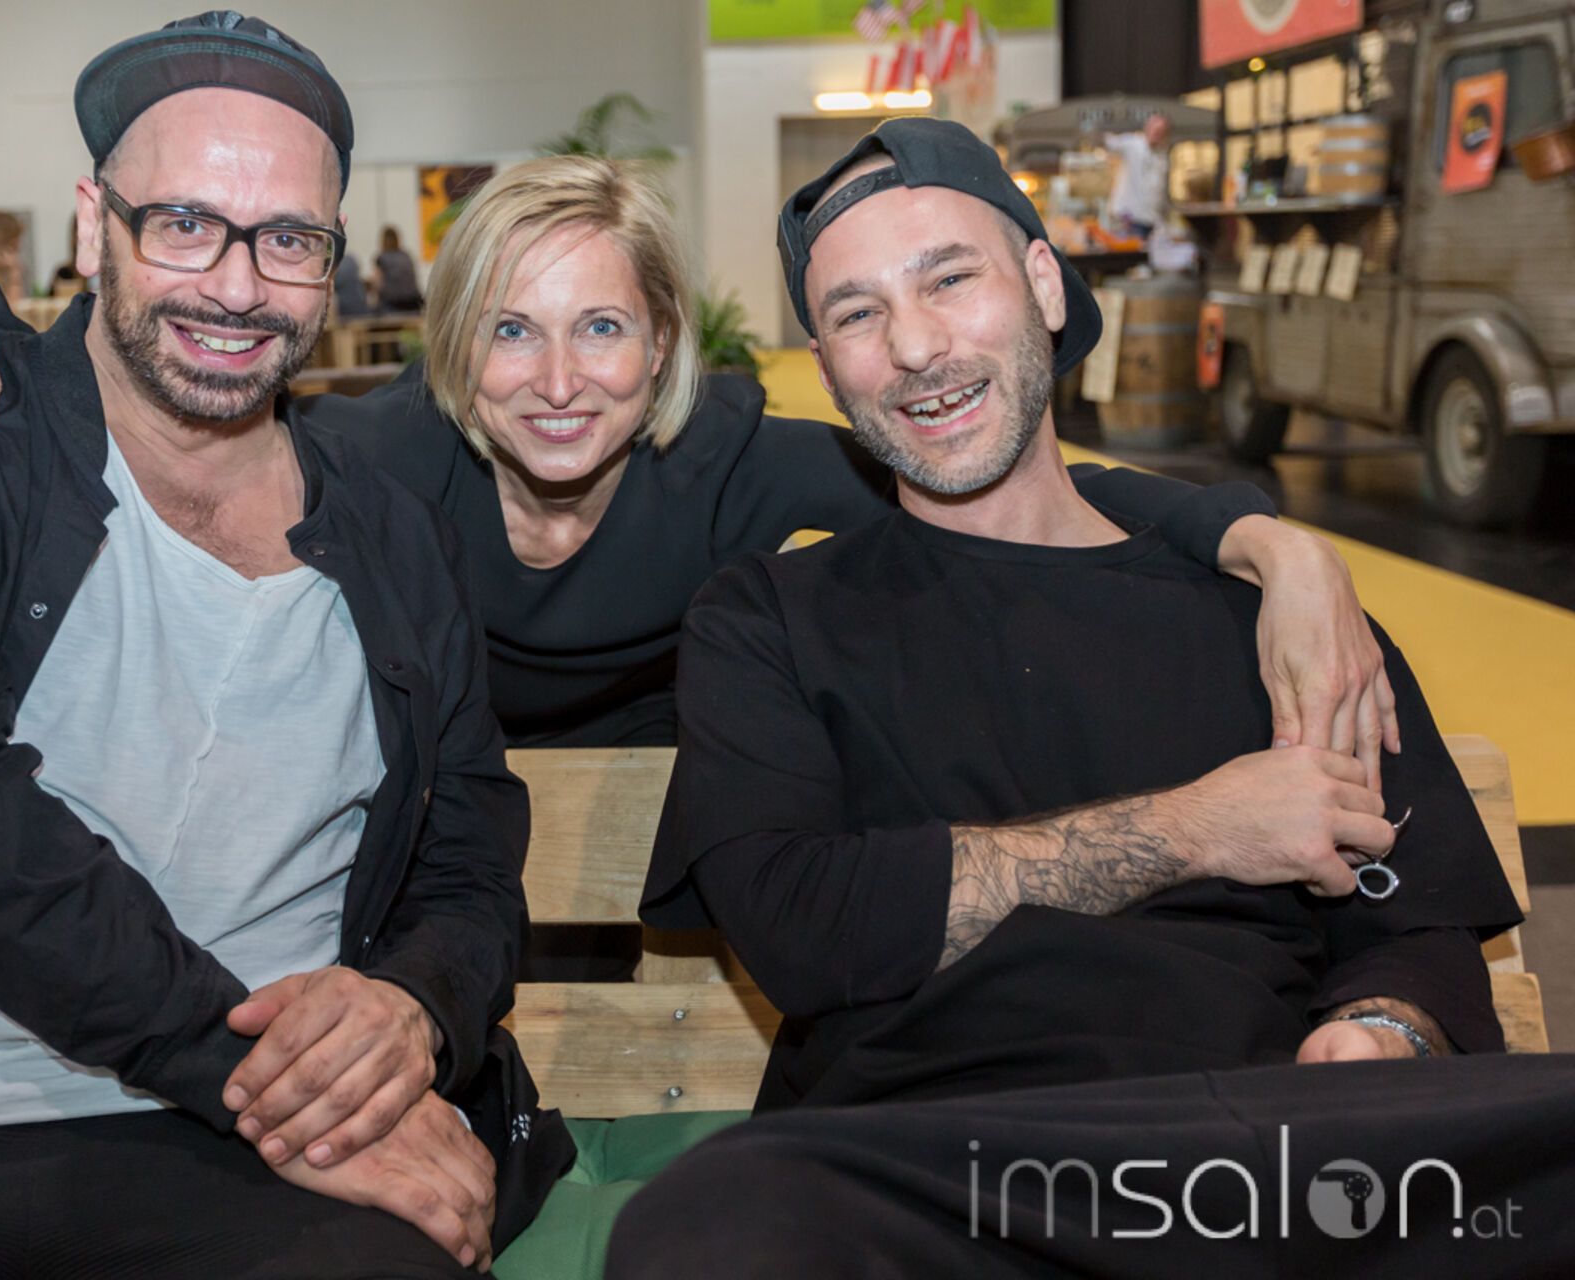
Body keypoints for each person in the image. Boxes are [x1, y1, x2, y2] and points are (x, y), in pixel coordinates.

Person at [0, 14, 572, 1277]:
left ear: (331, 259)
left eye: (289, 239)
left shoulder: (393, 533)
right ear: (94, 226)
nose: (237, 287)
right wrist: (252, 1070)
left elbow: (467, 843)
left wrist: (413, 1010)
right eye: (184, 222)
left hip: (274, 1152)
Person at [609, 117, 1574, 1278]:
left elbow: (1412, 925)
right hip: (932, 1166)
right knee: (707, 1221)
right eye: (857, 313)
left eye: (949, 279)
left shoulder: (1274, 618)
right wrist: (1196, 825)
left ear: (1044, 283)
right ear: (824, 365)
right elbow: (805, 926)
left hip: (1251, 1152)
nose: (914, 346)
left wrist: (1380, 1030)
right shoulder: (770, 617)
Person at [0, 157, 1397, 765]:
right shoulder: (372, 459)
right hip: (445, 837)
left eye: (602, 332)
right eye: (510, 331)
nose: (560, 384)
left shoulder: (724, 461)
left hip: (668, 844)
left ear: (663, 349)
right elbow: (139, 423)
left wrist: (1273, 543)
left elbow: (1018, 484)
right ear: (454, 350)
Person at [1105, 110, 1171, 241]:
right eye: (1155, 130)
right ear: (1147, 128)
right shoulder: (1132, 144)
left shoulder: (1162, 155)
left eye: (1161, 132)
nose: (1156, 134)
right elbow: (1110, 143)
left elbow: (1158, 190)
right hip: (1129, 217)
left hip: (1150, 219)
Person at [371, 224, 424, 312]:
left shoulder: (382, 258)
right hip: (413, 304)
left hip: (392, 306)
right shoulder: (406, 256)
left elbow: (378, 285)